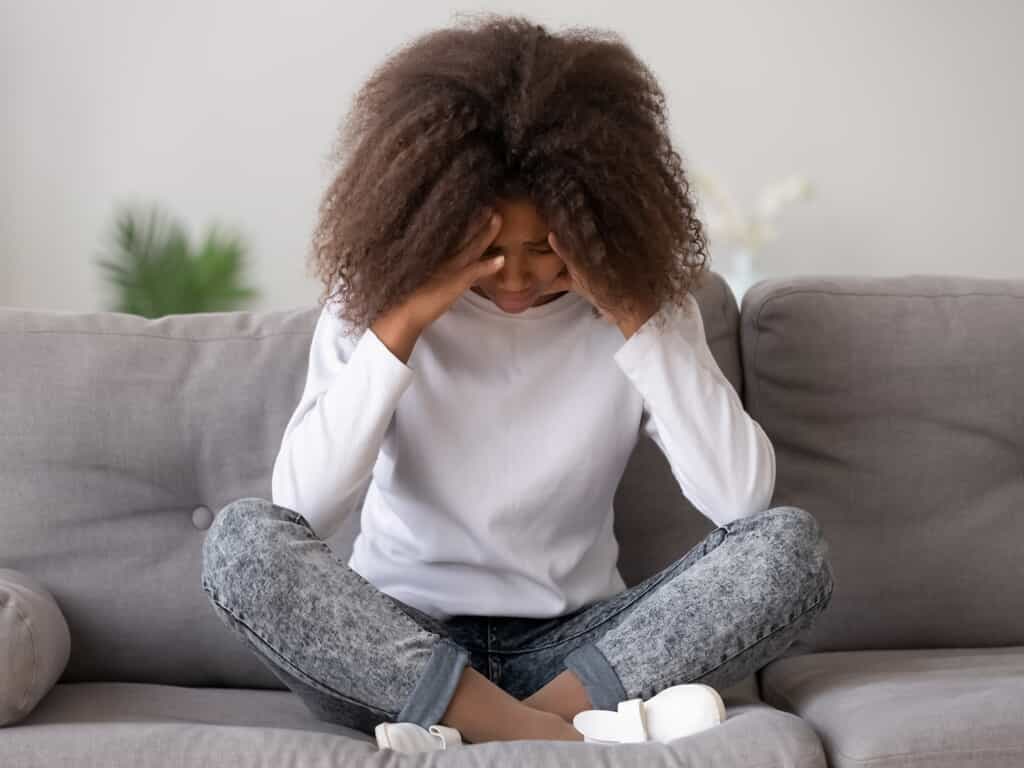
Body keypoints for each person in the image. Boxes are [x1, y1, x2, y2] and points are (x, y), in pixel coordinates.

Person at [200, 12, 834, 751]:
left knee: (791, 546)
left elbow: (742, 500)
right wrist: (402, 324)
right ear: (435, 219)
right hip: (399, 646)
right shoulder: (370, 307)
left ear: (599, 221)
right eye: (488, 249)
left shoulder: (646, 311)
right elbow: (301, 507)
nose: (517, 275)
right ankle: (554, 736)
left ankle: (490, 726)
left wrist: (635, 317)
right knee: (242, 543)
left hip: (582, 648)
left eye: (544, 248)